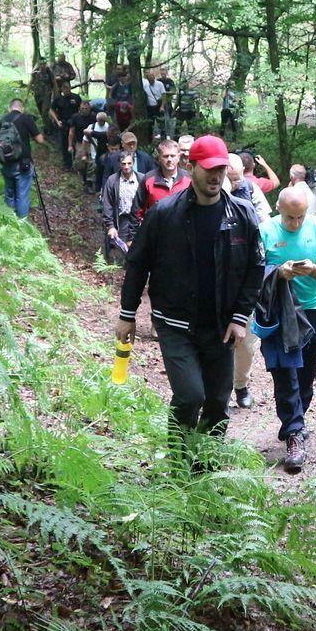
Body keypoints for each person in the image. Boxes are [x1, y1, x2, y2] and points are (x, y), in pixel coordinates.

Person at [115, 135, 265, 462]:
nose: (215, 176)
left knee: (216, 401)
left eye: (221, 169)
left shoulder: (241, 214)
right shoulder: (165, 214)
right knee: (189, 395)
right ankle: (180, 464)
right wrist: (127, 313)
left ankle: (205, 471)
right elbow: (138, 263)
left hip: (221, 325)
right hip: (175, 323)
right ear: (191, 166)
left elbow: (256, 266)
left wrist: (241, 317)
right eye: (208, 169)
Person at [260, 185, 316, 473]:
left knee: (305, 378)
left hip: (312, 312)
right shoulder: (265, 230)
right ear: (278, 209)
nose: (295, 223)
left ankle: (296, 422)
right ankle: (294, 434)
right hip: (280, 314)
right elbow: (253, 271)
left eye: (300, 217)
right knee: (285, 375)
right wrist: (279, 273)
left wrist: (312, 269)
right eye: (290, 217)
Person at [223, 152, 274, 409]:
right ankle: (218, 389)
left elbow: (265, 224)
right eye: (229, 173)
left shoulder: (252, 190)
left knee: (247, 342)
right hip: (220, 279)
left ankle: (241, 385)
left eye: (237, 173)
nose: (234, 178)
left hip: (248, 277)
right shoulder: (213, 192)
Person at [0, 97, 45, 220]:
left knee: (9, 194)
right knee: (22, 195)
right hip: (23, 164)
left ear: (9, 107)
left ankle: (10, 223)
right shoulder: (26, 119)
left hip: (6, 163)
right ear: (22, 108)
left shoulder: (2, 121)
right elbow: (40, 140)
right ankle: (22, 225)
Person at [101, 147, 149, 265]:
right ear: (119, 164)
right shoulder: (113, 181)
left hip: (139, 220)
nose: (126, 166)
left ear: (133, 163)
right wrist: (111, 226)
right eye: (123, 164)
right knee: (122, 251)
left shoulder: (142, 179)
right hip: (121, 219)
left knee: (139, 250)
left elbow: (148, 201)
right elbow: (107, 204)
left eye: (129, 163)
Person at [142, 139, 191, 209]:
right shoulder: (148, 179)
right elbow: (137, 212)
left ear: (178, 157)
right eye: (165, 156)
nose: (169, 160)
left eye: (173, 156)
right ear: (159, 158)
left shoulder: (189, 179)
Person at [48, 80, 84, 170]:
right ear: (62, 89)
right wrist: (57, 121)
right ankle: (67, 165)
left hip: (75, 123)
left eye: (68, 88)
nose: (66, 90)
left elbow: (81, 108)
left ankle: (76, 163)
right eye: (64, 89)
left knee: (76, 142)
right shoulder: (58, 99)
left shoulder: (76, 97)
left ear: (70, 88)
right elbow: (51, 110)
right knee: (65, 144)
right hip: (63, 123)